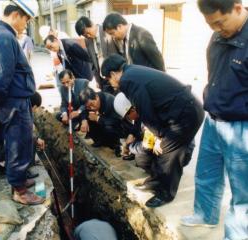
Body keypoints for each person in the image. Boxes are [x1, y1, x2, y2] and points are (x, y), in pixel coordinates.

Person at [180, 1, 248, 239]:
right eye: (211, 25)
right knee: (206, 173)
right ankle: (205, 215)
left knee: (243, 193)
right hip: (213, 119)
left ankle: (237, 235)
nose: (217, 29)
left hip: (241, 127)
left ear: (238, 8)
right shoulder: (218, 37)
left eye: (220, 22)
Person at [101, 54, 204, 207]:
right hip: (183, 109)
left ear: (114, 74)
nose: (110, 83)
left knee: (167, 152)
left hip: (185, 113)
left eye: (108, 79)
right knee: (162, 151)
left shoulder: (127, 80)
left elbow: (145, 109)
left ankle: (165, 194)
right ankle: (155, 182)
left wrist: (159, 135)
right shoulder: (132, 71)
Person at [0, 0, 44, 205]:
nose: (25, 25)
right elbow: (1, 74)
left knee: (19, 141)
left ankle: (20, 179)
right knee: (18, 142)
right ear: (16, 14)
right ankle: (20, 190)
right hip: (14, 101)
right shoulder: (5, 37)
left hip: (12, 99)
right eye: (26, 20)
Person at [0, 92, 45, 180]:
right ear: (33, 106)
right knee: (29, 140)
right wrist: (36, 139)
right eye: (35, 108)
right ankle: (24, 171)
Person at [75, 16, 119, 94]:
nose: (87, 36)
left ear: (92, 24)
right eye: (85, 35)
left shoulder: (107, 31)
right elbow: (92, 61)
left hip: (116, 77)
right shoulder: (88, 40)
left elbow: (120, 52)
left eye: (87, 33)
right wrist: (97, 79)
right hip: (103, 80)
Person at [79, 87, 125, 157]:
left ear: (97, 97)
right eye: (88, 107)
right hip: (103, 124)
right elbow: (84, 111)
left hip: (118, 127)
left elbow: (116, 121)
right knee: (86, 117)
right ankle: (99, 141)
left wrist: (98, 118)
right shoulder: (88, 103)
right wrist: (84, 120)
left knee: (109, 126)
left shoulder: (110, 102)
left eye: (92, 104)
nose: (91, 108)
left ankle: (116, 145)